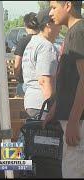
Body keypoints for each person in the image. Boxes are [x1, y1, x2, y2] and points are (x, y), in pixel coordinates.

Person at [44, 1, 84, 178]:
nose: (50, 12)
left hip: (78, 122)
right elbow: (69, 79)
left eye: (53, 7)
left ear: (67, 5)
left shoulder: (78, 32)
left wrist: (74, 119)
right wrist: (55, 108)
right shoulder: (73, 32)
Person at [22, 9, 61, 118]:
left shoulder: (33, 43)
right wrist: (53, 109)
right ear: (48, 24)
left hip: (32, 102)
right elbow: (44, 81)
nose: (60, 28)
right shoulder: (46, 46)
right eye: (57, 23)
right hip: (43, 106)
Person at [14, 12, 39, 97]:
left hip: (24, 84)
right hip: (40, 85)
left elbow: (17, 65)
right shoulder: (43, 41)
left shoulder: (23, 41)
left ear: (25, 25)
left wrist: (17, 77)